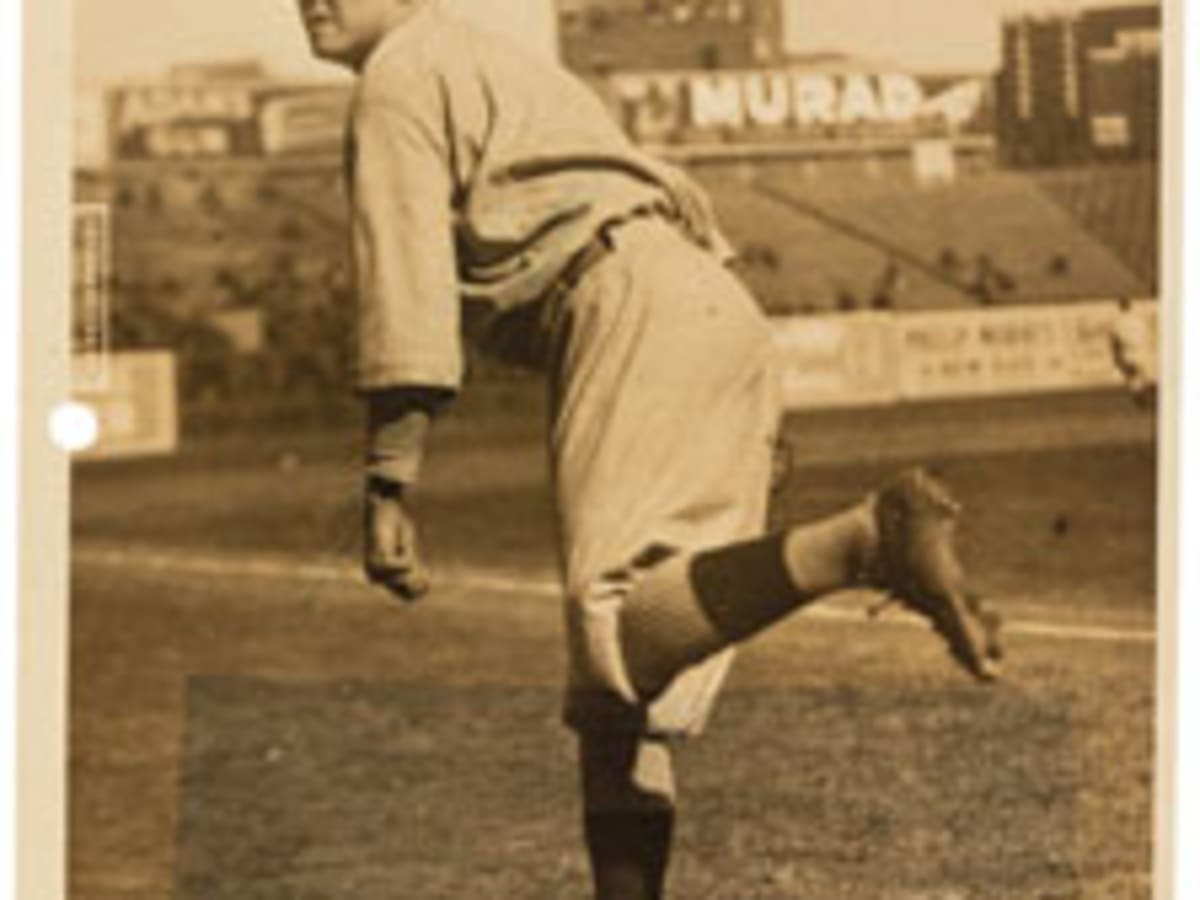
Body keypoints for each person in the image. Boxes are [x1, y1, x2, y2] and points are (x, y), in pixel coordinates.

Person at [295, 2, 1001, 896]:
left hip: (617, 302)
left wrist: (389, 478)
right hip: (705, 294)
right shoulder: (505, 65)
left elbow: (405, 284)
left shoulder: (398, 74)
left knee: (618, 634)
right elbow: (680, 202)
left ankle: (865, 540)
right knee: (618, 703)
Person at [1109, 297, 1157, 409]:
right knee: (1145, 377)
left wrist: (1116, 356)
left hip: (1127, 352)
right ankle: (1148, 400)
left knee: (1134, 378)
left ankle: (1141, 400)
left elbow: (1114, 341)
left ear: (1119, 307)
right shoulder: (1139, 320)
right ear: (1131, 306)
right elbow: (1148, 335)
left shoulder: (1117, 322)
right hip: (1142, 350)